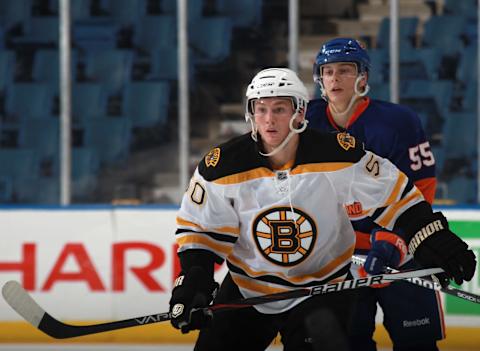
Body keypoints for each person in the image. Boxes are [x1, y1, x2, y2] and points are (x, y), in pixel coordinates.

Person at [168, 67, 476, 351]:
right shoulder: (221, 166)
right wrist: (195, 277)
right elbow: (200, 230)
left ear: (299, 112)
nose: (269, 119)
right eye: (261, 109)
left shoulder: (337, 155)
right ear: (251, 114)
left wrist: (430, 236)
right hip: (249, 289)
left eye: (279, 109)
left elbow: (396, 197)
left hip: (323, 289)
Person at [306, 37, 445, 351]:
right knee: (347, 343)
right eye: (328, 71)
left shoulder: (398, 121)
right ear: (319, 79)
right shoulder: (305, 122)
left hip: (402, 253)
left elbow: (421, 188)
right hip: (340, 259)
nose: (335, 78)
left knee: (418, 344)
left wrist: (395, 241)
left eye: (345, 70)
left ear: (363, 78)